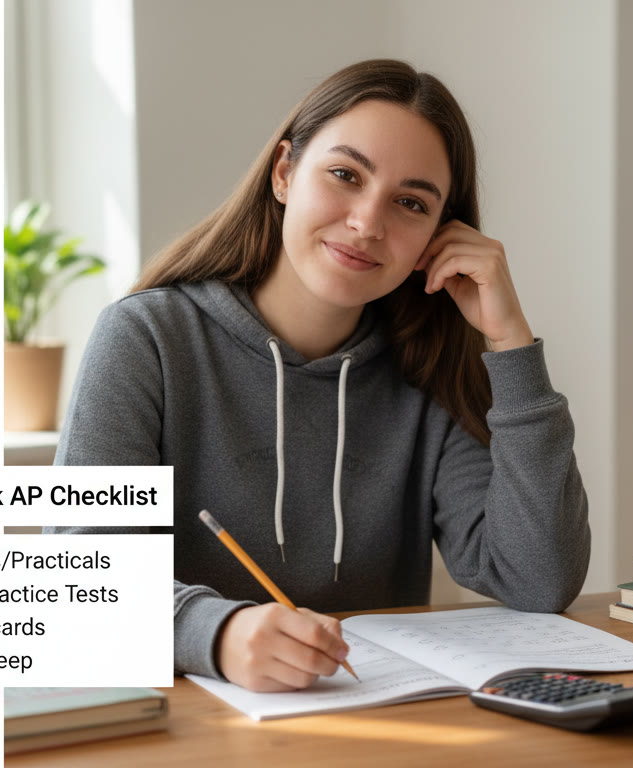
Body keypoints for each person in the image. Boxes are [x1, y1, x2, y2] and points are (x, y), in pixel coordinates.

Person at [49, 59, 590, 693]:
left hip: (366, 714)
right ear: (284, 173)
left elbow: (539, 579)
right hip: (185, 721)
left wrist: (511, 341)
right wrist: (218, 634)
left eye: (410, 203)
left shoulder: (427, 369)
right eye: (345, 175)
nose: (367, 223)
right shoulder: (147, 338)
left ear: (436, 239)